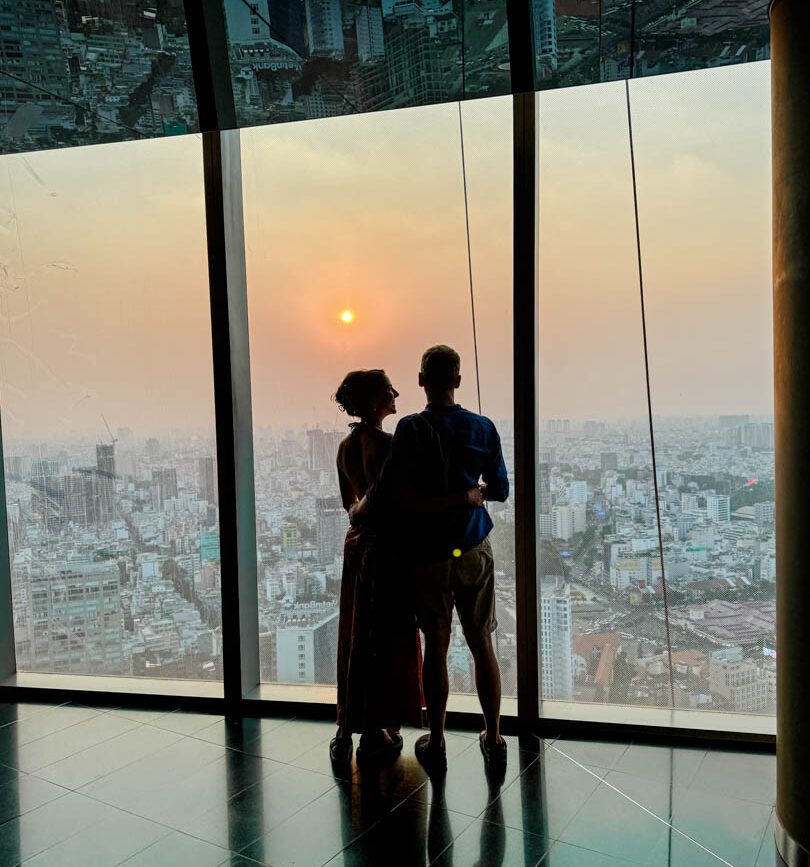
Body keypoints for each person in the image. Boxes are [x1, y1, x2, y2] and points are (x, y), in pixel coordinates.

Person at [356, 345, 509, 771]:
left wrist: (357, 511)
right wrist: (470, 493)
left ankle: (437, 741)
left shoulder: (411, 429)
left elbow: (388, 490)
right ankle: (494, 738)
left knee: (437, 646)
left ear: (422, 380)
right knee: (482, 643)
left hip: (429, 554)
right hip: (473, 546)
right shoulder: (482, 427)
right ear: (457, 381)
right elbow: (499, 489)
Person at [330, 369, 483, 764]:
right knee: (388, 638)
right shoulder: (392, 446)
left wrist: (362, 516)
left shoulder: (345, 448)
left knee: (356, 633)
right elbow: (406, 502)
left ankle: (347, 728)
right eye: (388, 390)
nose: (396, 393)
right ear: (374, 401)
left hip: (358, 550)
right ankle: (380, 727)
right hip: (391, 553)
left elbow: (350, 508)